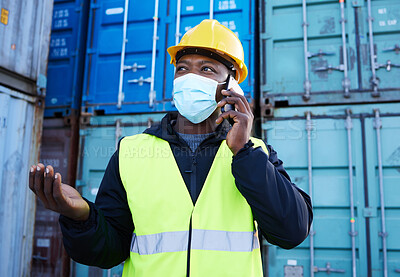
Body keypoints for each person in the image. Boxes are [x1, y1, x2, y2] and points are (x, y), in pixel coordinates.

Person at [29, 19, 312, 276]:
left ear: (232, 86)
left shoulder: (256, 153)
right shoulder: (130, 153)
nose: (191, 77)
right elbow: (109, 251)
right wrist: (81, 216)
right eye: (183, 69)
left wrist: (244, 152)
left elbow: (292, 231)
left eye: (207, 69)